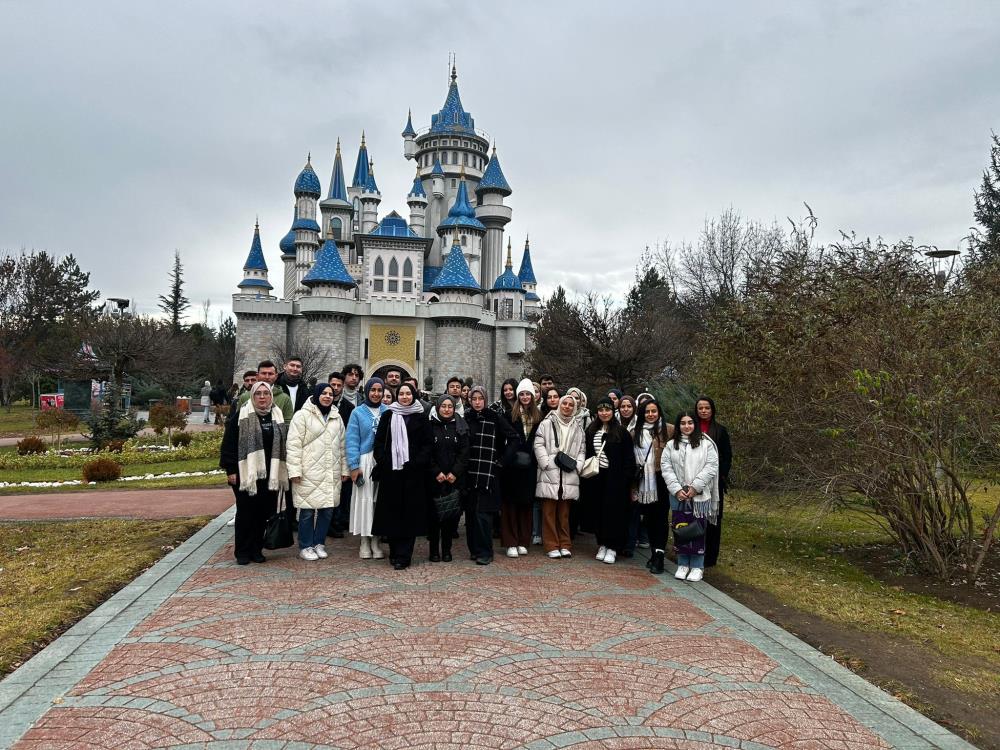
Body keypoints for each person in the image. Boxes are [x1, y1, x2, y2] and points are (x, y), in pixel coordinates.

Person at [219, 382, 289, 565]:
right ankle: (242, 551)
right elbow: (229, 444)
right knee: (245, 513)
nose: (262, 397)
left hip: (270, 474)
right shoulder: (241, 416)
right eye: (258, 393)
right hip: (246, 474)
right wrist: (231, 469)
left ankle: (257, 549)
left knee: (263, 513)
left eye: (266, 393)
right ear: (252, 396)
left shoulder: (277, 415)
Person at [286, 383, 349, 561]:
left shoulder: (337, 417)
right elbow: (293, 445)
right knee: (307, 511)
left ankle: (319, 543)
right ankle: (305, 545)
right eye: (324, 393)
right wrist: (294, 470)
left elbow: (342, 446)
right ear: (316, 395)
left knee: (327, 510)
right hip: (308, 471)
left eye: (331, 394)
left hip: (331, 470)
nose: (328, 396)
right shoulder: (302, 416)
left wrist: (345, 468)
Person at [372, 383, 431, 570]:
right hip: (392, 472)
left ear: (414, 395)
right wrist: (384, 460)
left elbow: (427, 444)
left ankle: (404, 555)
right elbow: (379, 441)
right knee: (392, 513)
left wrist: (416, 462)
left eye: (408, 394)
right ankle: (394, 551)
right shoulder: (388, 415)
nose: (405, 397)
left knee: (409, 515)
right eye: (402, 394)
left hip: (413, 473)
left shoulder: (421, 417)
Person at [660, 410, 720, 582]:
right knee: (682, 528)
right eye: (683, 423)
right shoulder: (672, 445)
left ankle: (697, 565)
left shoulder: (706, 444)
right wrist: (677, 489)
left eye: (690, 423)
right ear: (678, 425)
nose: (687, 426)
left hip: (699, 495)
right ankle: (682, 563)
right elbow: (666, 467)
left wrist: (695, 487)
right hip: (677, 494)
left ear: (695, 424)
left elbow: (711, 466)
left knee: (698, 530)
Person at [464, 385, 517, 565]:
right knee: (471, 514)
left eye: (480, 399)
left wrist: (501, 461)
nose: (477, 402)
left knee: (484, 515)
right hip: (469, 472)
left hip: (489, 473)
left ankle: (485, 551)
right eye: (474, 399)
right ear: (469, 400)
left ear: (485, 400)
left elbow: (513, 438)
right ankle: (474, 550)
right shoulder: (466, 417)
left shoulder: (494, 418)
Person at [584, 397, 636, 565]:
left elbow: (629, 458)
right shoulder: (591, 430)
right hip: (597, 477)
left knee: (614, 513)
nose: (604, 413)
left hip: (616, 479)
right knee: (599, 511)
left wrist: (625, 479)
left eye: (607, 409)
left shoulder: (621, 432)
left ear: (612, 411)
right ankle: (602, 543)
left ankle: (613, 546)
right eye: (600, 410)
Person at [534, 394, 585, 558]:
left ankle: (565, 543)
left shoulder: (578, 427)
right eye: (565, 404)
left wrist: (578, 466)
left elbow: (582, 450)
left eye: (571, 405)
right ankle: (551, 545)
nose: (567, 407)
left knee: (564, 513)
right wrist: (546, 464)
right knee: (548, 512)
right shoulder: (547, 423)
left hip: (569, 473)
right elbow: (538, 443)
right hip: (550, 471)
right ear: (559, 405)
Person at [346, 378, 387, 559]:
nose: (376, 394)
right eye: (373, 390)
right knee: (365, 500)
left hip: (383, 461)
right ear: (367, 391)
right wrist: (354, 466)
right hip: (365, 461)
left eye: (379, 390)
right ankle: (364, 540)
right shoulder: (358, 412)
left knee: (379, 502)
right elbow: (352, 440)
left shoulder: (389, 411)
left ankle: (376, 539)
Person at [632, 398, 673, 574]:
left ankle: (659, 556)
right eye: (647, 412)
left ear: (659, 412)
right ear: (642, 414)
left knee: (661, 518)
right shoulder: (635, 432)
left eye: (654, 411)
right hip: (643, 482)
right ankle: (653, 552)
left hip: (662, 480)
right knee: (648, 518)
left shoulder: (669, 430)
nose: (650, 415)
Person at [501, 379, 540, 558]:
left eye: (528, 394)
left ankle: (524, 540)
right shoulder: (509, 415)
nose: (525, 397)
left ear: (532, 396)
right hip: (512, 466)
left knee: (526, 504)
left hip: (530, 466)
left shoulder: (539, 416)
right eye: (522, 394)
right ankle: (511, 542)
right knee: (510, 504)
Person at [427, 394, 469, 562]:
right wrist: (436, 472)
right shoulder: (430, 426)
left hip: (453, 479)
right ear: (438, 408)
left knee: (450, 517)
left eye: (449, 406)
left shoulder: (460, 426)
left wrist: (455, 472)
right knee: (434, 517)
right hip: (434, 479)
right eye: (443, 406)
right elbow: (426, 452)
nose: (446, 409)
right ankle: (433, 551)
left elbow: (465, 452)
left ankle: (446, 550)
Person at [695, 395, 732, 568]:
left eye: (707, 408)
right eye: (700, 408)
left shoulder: (720, 430)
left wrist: (721, 475)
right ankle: (693, 550)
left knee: (712, 518)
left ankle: (710, 557)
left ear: (712, 410)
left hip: (714, 482)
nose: (703, 411)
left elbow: (727, 456)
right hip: (694, 480)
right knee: (693, 517)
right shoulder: (690, 428)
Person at [327, 371, 356, 538]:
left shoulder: (348, 407)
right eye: (333, 385)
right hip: (324, 455)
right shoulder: (319, 405)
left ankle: (339, 521)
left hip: (342, 453)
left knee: (343, 491)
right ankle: (329, 523)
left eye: (339, 385)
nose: (336, 388)